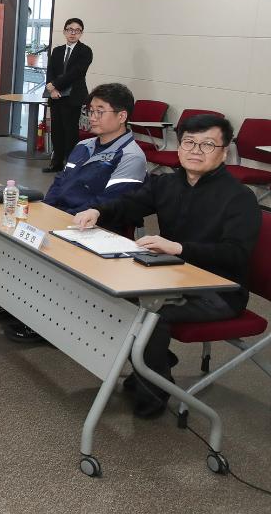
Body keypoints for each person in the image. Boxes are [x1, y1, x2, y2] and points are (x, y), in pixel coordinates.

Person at [73, 113, 261, 419]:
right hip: (171, 278)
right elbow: (129, 204)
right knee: (114, 297)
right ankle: (154, 364)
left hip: (219, 292)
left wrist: (180, 249)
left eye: (207, 145)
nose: (195, 151)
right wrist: (97, 211)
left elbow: (236, 254)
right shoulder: (168, 182)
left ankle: (153, 394)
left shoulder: (239, 197)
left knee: (148, 312)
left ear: (224, 152)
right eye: (189, 142)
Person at [0, 83, 148, 342]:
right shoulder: (84, 145)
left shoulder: (130, 156)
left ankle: (44, 321)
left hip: (95, 227)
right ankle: (13, 300)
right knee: (15, 235)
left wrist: (64, 219)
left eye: (100, 111)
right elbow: (59, 183)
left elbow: (110, 203)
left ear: (122, 116)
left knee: (48, 254)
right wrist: (46, 212)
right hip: (63, 217)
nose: (92, 117)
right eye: (90, 111)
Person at [43, 18, 92, 173]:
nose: (73, 33)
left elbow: (76, 73)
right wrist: (52, 89)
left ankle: (69, 165)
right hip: (56, 97)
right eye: (70, 29)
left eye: (77, 30)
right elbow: (50, 71)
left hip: (73, 97)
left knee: (70, 132)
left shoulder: (85, 51)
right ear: (64, 31)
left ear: (81, 33)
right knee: (56, 131)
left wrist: (55, 84)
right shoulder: (57, 51)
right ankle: (56, 163)